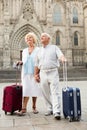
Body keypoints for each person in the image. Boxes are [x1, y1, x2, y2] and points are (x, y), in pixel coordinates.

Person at [34, 33, 66, 120]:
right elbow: (36, 64)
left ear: (48, 39)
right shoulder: (39, 50)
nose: (41, 37)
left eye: (43, 36)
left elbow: (60, 55)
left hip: (53, 72)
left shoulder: (54, 47)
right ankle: (49, 109)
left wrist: (62, 58)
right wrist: (36, 74)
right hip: (43, 73)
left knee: (55, 91)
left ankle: (57, 111)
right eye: (40, 37)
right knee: (45, 92)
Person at [17, 32, 42, 116]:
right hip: (25, 73)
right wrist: (20, 62)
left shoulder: (38, 50)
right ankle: (24, 108)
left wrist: (38, 73)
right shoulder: (24, 51)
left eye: (30, 38)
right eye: (27, 38)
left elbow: (39, 61)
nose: (28, 39)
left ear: (34, 39)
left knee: (34, 89)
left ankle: (34, 107)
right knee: (26, 89)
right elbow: (24, 61)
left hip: (34, 72)